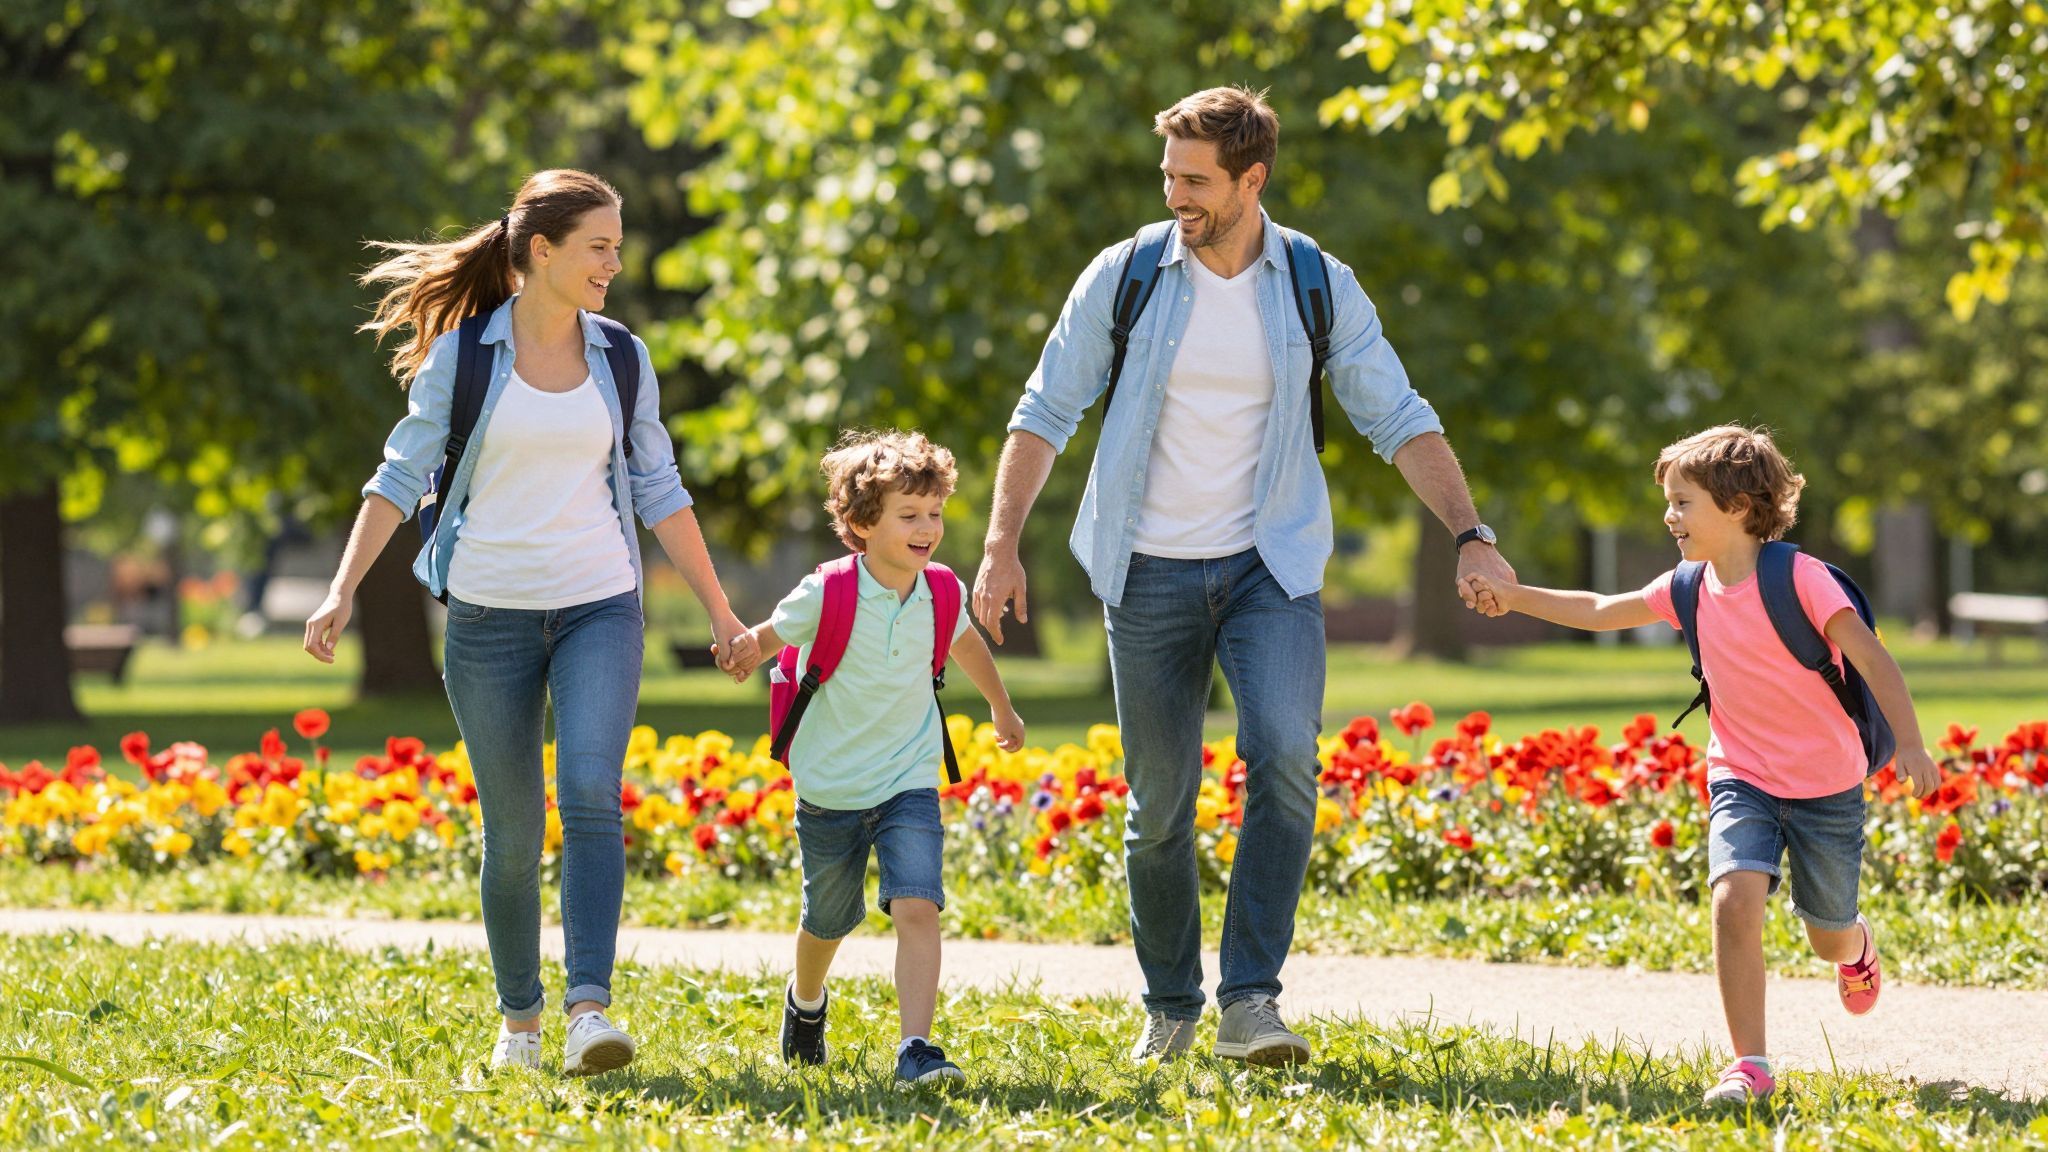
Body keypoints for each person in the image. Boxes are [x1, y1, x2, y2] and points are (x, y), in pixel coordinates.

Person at [973, 86, 1514, 1066]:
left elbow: (1395, 413)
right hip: (1143, 567)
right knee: (1159, 803)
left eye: (1193, 179)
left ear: (1249, 180)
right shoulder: (1127, 274)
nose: (1173, 193)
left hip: (1269, 566)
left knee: (1282, 760)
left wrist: (1469, 531)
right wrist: (999, 543)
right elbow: (1045, 408)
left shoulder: (1312, 281)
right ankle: (1171, 1004)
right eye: (1167, 175)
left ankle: (1249, 1002)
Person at [303, 169, 757, 1075]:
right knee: (511, 835)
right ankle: (520, 1022)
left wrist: (721, 611)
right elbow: (398, 477)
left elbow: (660, 490)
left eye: (618, 247)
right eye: (599, 247)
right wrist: (342, 587)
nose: (614, 265)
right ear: (540, 251)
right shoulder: (466, 357)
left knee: (590, 792)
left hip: (599, 604)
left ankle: (591, 1010)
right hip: (488, 616)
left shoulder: (622, 357)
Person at [1464, 424, 1941, 1106]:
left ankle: (1856, 943)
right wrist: (1515, 597)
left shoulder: (1800, 579)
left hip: (1826, 786)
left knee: (1826, 936)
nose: (1670, 516)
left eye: (1683, 502)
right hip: (1741, 776)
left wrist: (1914, 744)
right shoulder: (1688, 586)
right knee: (1732, 900)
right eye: (1669, 502)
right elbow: (1602, 609)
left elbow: (1872, 657)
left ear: (1740, 506)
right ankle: (1750, 1064)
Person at [726, 430, 1025, 1086]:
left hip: (908, 779)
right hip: (830, 787)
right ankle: (806, 1002)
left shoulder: (940, 591)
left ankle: (916, 1047)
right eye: (909, 515)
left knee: (917, 904)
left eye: (935, 514)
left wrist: (1002, 707)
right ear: (862, 523)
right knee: (827, 918)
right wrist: (745, 649)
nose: (927, 529)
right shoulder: (827, 591)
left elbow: (967, 646)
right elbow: (771, 635)